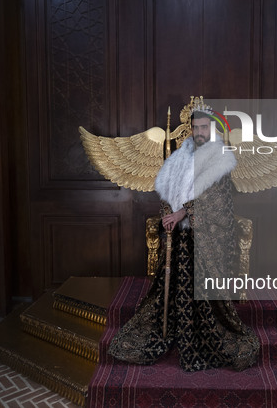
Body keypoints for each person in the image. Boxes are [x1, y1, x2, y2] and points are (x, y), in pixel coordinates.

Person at [108, 111, 260, 372]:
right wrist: (168, 213)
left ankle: (202, 334)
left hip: (207, 239)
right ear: (191, 129)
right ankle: (174, 326)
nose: (200, 132)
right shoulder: (179, 159)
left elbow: (217, 201)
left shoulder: (219, 160)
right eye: (196, 127)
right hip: (180, 236)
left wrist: (184, 212)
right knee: (173, 283)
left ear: (211, 129)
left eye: (204, 127)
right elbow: (168, 190)